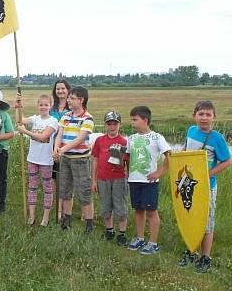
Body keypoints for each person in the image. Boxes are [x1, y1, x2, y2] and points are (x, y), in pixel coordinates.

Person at [178, 100, 232, 273]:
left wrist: (207, 175)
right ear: (194, 116)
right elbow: (186, 150)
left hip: (207, 187)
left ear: (214, 117)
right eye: (201, 114)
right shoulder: (191, 130)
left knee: (206, 221)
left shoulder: (217, 138)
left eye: (208, 114)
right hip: (189, 183)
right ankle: (191, 250)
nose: (204, 118)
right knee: (191, 218)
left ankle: (205, 257)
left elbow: (226, 161)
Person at [125, 105, 171, 255]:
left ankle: (153, 242)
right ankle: (139, 238)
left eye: (134, 119)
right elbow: (128, 157)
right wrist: (126, 171)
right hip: (134, 180)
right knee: (138, 210)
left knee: (151, 211)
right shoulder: (131, 138)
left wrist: (159, 172)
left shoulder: (157, 137)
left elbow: (169, 156)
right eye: (131, 119)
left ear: (145, 120)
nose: (132, 122)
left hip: (149, 182)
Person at [53, 86, 96, 233]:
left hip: (80, 160)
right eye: (69, 98)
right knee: (65, 190)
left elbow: (80, 139)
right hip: (65, 159)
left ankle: (89, 224)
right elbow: (59, 134)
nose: (69, 101)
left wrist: (62, 149)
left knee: (84, 191)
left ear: (81, 100)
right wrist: (56, 149)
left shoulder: (87, 118)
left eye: (72, 98)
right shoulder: (65, 116)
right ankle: (66, 220)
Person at [16, 94, 58, 227]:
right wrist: (18, 105)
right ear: (37, 105)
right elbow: (19, 120)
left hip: (46, 160)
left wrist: (25, 132)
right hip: (32, 158)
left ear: (50, 106)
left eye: (46, 105)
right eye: (41, 104)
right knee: (32, 187)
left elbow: (43, 137)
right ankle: (32, 216)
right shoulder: (35, 119)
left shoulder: (53, 121)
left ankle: (45, 218)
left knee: (47, 188)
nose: (43, 107)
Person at [91, 110, 129, 245]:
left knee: (120, 205)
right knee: (105, 206)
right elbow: (95, 159)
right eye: (109, 124)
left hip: (119, 178)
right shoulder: (99, 140)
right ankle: (109, 230)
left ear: (120, 125)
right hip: (102, 178)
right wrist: (94, 180)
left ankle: (122, 234)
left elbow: (128, 163)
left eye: (115, 124)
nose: (112, 127)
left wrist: (128, 176)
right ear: (105, 125)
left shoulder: (124, 142)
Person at [50, 79, 72, 221]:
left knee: (66, 182)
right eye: (58, 89)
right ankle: (57, 209)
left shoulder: (72, 110)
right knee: (54, 180)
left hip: (68, 149)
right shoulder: (51, 109)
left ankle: (66, 211)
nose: (60, 91)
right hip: (52, 148)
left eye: (63, 88)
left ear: (68, 90)